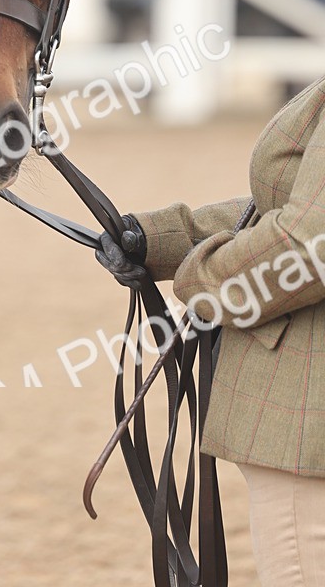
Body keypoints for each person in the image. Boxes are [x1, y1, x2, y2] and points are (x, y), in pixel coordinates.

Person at [97, 75, 325, 587]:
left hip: (307, 424)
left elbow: (311, 245)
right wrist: (160, 239)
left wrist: (203, 280)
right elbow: (293, 204)